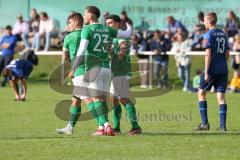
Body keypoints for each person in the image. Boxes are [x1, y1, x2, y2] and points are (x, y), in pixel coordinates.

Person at [69, 6, 132, 136]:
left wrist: (74, 67)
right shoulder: (107, 29)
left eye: (85, 14)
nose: (84, 17)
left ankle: (106, 126)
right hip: (106, 69)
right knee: (102, 99)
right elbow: (126, 34)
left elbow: (81, 50)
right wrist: (129, 25)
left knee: (95, 99)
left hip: (94, 68)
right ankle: (101, 128)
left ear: (91, 16)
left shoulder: (87, 29)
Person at [56, 13, 97, 135]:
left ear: (76, 22)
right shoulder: (89, 33)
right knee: (75, 99)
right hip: (93, 68)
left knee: (87, 100)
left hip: (78, 71)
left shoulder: (69, 37)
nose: (68, 25)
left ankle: (103, 125)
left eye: (69, 22)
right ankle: (70, 127)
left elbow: (65, 57)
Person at [105, 14, 142, 135]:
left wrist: (120, 54)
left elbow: (123, 46)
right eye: (107, 23)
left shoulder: (119, 35)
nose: (108, 25)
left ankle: (136, 127)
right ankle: (116, 127)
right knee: (115, 100)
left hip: (121, 72)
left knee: (123, 98)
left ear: (118, 24)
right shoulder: (113, 37)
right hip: (116, 72)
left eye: (110, 23)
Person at [196, 12, 230, 131]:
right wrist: (221, 63)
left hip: (211, 70)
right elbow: (227, 53)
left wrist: (206, 72)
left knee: (201, 93)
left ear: (209, 21)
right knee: (221, 97)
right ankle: (222, 126)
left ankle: (205, 123)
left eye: (204, 20)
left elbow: (208, 54)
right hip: (223, 70)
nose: (203, 23)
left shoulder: (208, 35)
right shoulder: (223, 34)